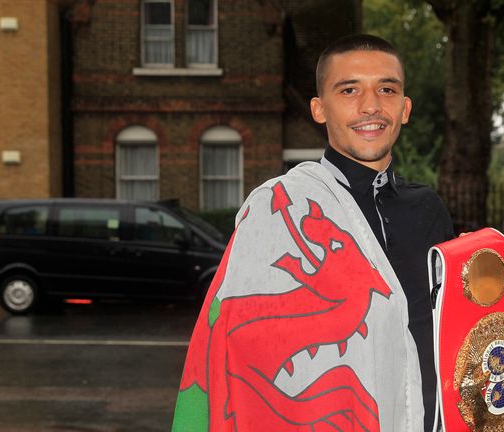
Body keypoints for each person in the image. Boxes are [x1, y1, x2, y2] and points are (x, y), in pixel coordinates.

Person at [172, 34, 453, 432]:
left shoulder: (429, 210)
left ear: (405, 108)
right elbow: (231, 345)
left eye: (386, 89)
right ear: (319, 109)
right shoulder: (277, 209)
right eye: (349, 89)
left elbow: (447, 338)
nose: (371, 106)